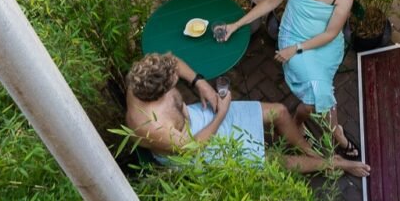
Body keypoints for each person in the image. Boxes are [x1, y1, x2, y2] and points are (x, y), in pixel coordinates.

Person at [123, 52, 368, 177]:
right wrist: (222, 113)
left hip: (199, 119)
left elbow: (173, 61)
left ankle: (309, 150)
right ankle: (333, 163)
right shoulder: (148, 126)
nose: (177, 78)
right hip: (195, 152)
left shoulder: (144, 76)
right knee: (273, 160)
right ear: (162, 91)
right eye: (174, 82)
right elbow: (190, 148)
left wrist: (200, 83)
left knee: (280, 112)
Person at [215, 0, 359, 159]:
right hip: (293, 37)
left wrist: (297, 49)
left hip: (322, 45)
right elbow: (271, 2)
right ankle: (337, 133)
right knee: (320, 91)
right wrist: (236, 25)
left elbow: (330, 34)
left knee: (312, 101)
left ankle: (298, 122)